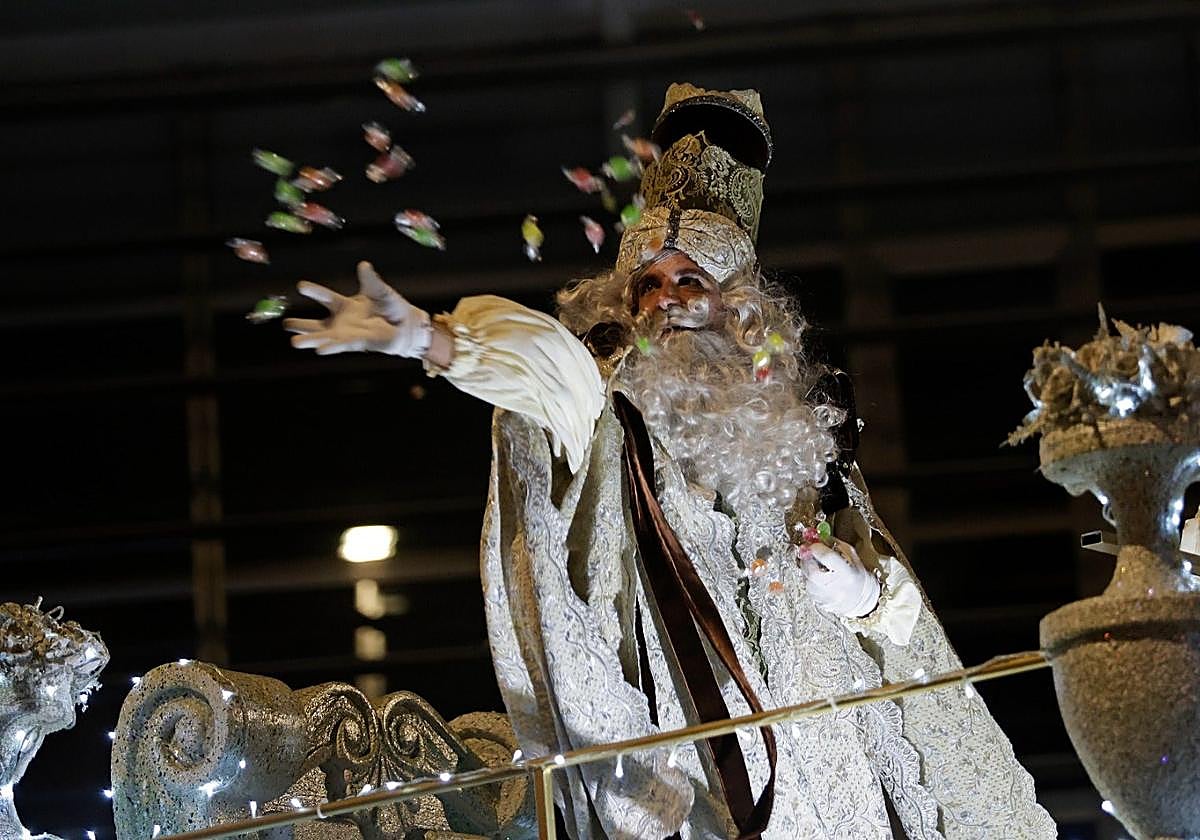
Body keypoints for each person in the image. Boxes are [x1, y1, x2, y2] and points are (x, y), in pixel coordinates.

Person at [287, 84, 1056, 839]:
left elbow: (897, 612)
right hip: (710, 783)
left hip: (840, 779)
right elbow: (550, 375)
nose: (669, 300)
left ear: (738, 305)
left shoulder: (800, 444)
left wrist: (862, 594)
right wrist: (430, 339)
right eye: (649, 284)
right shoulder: (613, 412)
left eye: (691, 280)